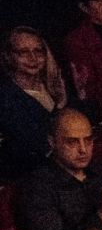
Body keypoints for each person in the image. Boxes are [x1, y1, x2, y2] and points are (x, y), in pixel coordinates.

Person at [0, 26, 68, 179]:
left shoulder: (53, 86)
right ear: (9, 56)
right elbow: (38, 143)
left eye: (38, 51)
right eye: (23, 52)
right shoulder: (6, 98)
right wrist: (60, 107)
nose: (33, 58)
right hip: (34, 177)